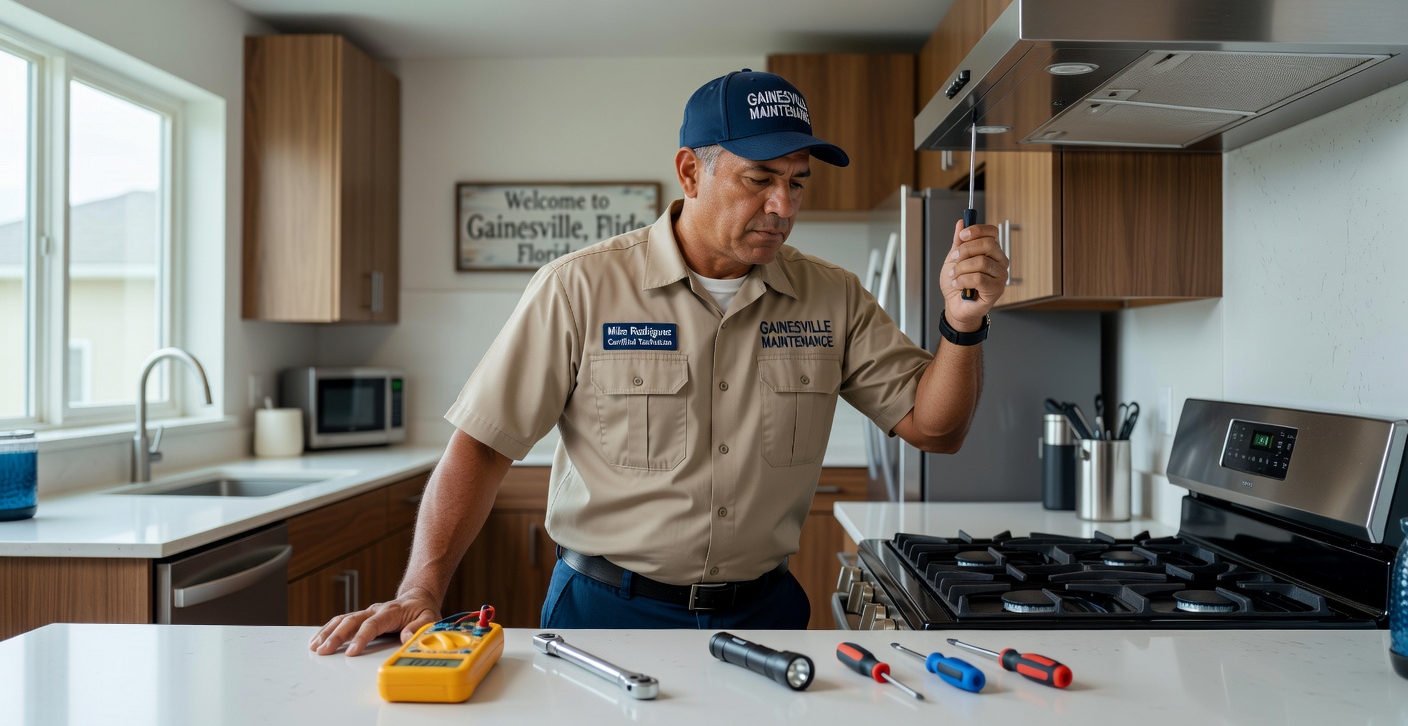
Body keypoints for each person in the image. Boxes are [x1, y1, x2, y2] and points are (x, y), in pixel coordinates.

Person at [311, 68, 1008, 655]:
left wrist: (962, 323)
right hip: (606, 615)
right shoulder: (580, 287)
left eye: (798, 182)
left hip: (764, 618)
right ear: (689, 171)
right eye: (760, 178)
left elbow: (934, 427)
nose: (783, 205)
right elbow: (483, 446)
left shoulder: (832, 297)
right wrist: (420, 591)